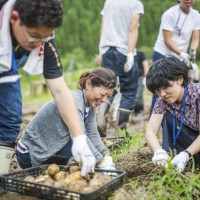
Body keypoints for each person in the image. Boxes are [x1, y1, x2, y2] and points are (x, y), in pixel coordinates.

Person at [0, 0, 95, 174]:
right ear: (14, 18)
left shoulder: (45, 42)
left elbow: (60, 91)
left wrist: (79, 138)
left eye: (45, 36)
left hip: (4, 64)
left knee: (10, 118)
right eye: (34, 35)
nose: (39, 43)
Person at [16, 68, 117, 176]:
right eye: (102, 94)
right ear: (88, 84)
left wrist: (105, 155)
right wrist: (100, 162)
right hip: (29, 154)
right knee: (80, 144)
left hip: (49, 146)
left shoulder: (89, 105)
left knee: (84, 147)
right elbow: (81, 137)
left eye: (108, 96)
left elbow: (92, 134)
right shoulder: (74, 101)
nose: (105, 99)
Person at [96, 0, 144, 136]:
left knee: (109, 87)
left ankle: (100, 118)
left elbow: (102, 28)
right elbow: (133, 28)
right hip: (123, 51)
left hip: (106, 51)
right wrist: (130, 54)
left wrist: (101, 51)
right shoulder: (135, 3)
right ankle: (120, 129)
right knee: (129, 90)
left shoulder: (109, 2)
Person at [145, 56, 200, 172]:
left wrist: (186, 154)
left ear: (180, 79)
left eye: (165, 87)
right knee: (168, 116)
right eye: (158, 90)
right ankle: (170, 156)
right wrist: (158, 151)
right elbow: (150, 131)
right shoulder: (162, 102)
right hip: (183, 148)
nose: (163, 94)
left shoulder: (197, 94)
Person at [150, 0, 200, 112]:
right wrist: (181, 53)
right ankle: (156, 118)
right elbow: (167, 40)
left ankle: (179, 116)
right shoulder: (170, 14)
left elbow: (196, 37)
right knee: (160, 87)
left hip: (180, 57)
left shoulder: (196, 16)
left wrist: (192, 52)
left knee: (179, 87)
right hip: (163, 53)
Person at [134, 50, 149, 119]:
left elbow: (145, 64)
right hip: (128, 78)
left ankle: (139, 111)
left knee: (138, 96)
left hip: (140, 77)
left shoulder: (140, 54)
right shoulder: (124, 53)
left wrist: (146, 77)